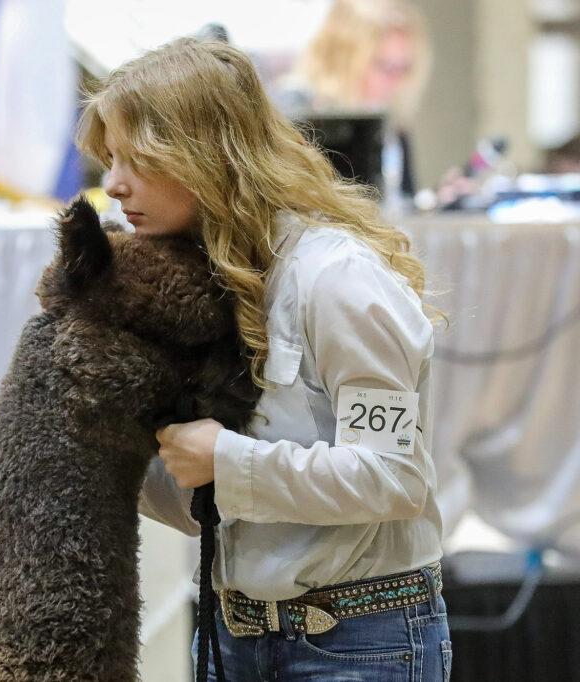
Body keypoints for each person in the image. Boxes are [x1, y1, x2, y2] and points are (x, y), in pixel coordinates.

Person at [76, 37, 450, 680]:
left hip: (359, 644)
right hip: (232, 636)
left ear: (203, 155)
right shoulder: (202, 287)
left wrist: (225, 459)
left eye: (134, 158)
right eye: (109, 159)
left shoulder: (339, 279)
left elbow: (397, 477)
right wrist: (114, 454)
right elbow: (215, 513)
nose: (112, 184)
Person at [277, 0, 432, 202]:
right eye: (384, 66)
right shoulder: (297, 115)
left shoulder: (393, 131)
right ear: (344, 59)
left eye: (403, 69)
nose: (395, 82)